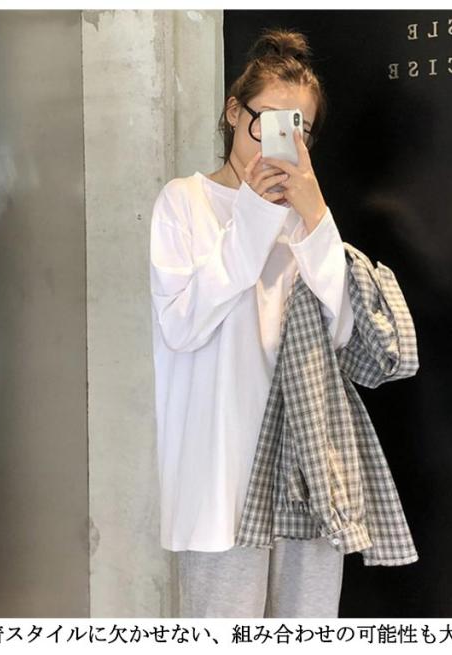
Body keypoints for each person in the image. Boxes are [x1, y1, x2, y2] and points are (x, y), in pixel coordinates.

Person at [149, 27, 356, 618]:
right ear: (234, 112)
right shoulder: (184, 202)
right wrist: (255, 216)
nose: (280, 140)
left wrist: (314, 216)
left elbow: (343, 332)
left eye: (299, 128)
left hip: (307, 468)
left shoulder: (307, 218)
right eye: (267, 120)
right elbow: (182, 327)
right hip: (220, 478)